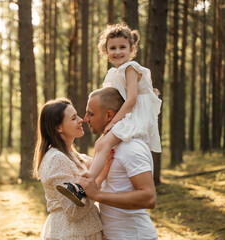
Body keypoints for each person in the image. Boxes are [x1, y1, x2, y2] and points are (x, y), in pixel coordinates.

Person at [57, 23, 162, 206]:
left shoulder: (131, 67)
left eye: (123, 47)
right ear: (106, 51)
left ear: (132, 49)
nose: (118, 52)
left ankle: (83, 186)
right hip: (128, 112)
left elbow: (131, 100)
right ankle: (88, 185)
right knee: (100, 143)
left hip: (133, 114)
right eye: (113, 48)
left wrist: (112, 122)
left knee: (104, 142)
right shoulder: (115, 72)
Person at [80, 87, 158, 239]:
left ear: (109, 115)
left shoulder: (131, 148)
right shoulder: (108, 146)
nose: (85, 119)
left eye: (91, 113)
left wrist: (98, 195)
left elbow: (149, 198)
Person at [33, 98, 113, 240]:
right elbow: (74, 211)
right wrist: (100, 178)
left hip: (82, 231)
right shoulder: (56, 159)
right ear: (59, 128)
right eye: (74, 118)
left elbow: (97, 162)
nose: (81, 120)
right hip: (71, 234)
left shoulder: (71, 155)